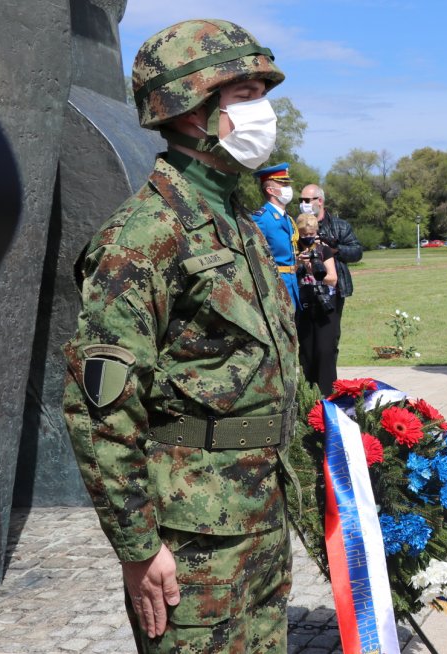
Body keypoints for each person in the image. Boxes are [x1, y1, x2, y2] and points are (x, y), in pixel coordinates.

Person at [63, 20, 297, 652]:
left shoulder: (237, 222)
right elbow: (98, 411)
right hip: (191, 539)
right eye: (245, 95)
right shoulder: (142, 237)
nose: (263, 111)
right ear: (193, 112)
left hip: (259, 516)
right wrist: (139, 548)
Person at [298, 183, 363, 372]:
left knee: (328, 342)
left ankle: (327, 386)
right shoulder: (296, 226)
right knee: (307, 344)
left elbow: (357, 251)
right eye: (300, 200)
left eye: (307, 200)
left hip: (333, 289)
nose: (303, 204)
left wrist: (333, 250)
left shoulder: (339, 226)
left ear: (320, 201)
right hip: (304, 291)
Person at [294, 213, 339, 394]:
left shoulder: (323, 250)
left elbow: (333, 279)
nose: (308, 237)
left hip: (324, 304)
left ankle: (329, 394)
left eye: (311, 233)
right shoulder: (293, 251)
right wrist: (297, 264)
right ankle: (309, 395)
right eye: (304, 234)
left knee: (324, 351)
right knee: (306, 354)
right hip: (303, 306)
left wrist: (314, 269)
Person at [251, 162, 299, 308]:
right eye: (283, 185)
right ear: (271, 190)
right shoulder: (261, 218)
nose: (288, 189)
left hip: (292, 282)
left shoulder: (287, 218)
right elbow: (256, 256)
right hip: (276, 284)